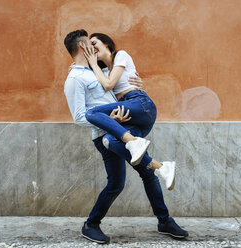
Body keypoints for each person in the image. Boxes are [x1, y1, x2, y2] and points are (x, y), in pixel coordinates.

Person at [63, 29, 188, 244]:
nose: (94, 48)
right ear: (83, 47)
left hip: (121, 130)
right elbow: (79, 116)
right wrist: (111, 119)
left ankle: (164, 221)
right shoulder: (74, 78)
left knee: (144, 175)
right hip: (105, 137)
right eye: (90, 45)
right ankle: (91, 225)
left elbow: (118, 86)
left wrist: (136, 85)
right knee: (116, 184)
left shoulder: (97, 70)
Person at [82, 33, 176, 190]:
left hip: (140, 104)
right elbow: (98, 80)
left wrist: (93, 64)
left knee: (91, 113)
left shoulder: (121, 55)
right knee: (109, 141)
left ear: (106, 44)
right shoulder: (103, 72)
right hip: (130, 116)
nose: (91, 48)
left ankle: (133, 142)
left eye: (94, 43)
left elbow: (109, 85)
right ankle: (161, 167)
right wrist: (81, 66)